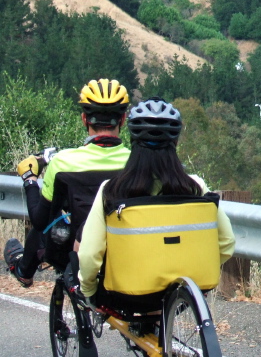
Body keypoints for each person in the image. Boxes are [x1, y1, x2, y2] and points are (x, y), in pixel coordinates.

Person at [77, 97, 235, 308]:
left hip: (127, 296)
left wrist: (88, 290)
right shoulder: (195, 187)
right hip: (185, 291)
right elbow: (226, 243)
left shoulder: (112, 190)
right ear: (175, 142)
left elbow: (89, 253)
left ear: (132, 140)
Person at [4, 79, 131, 287]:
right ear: (123, 119)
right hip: (127, 249)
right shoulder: (137, 162)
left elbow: (39, 220)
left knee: (49, 220)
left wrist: (29, 179)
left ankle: (23, 271)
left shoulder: (63, 162)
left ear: (84, 119)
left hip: (80, 252)